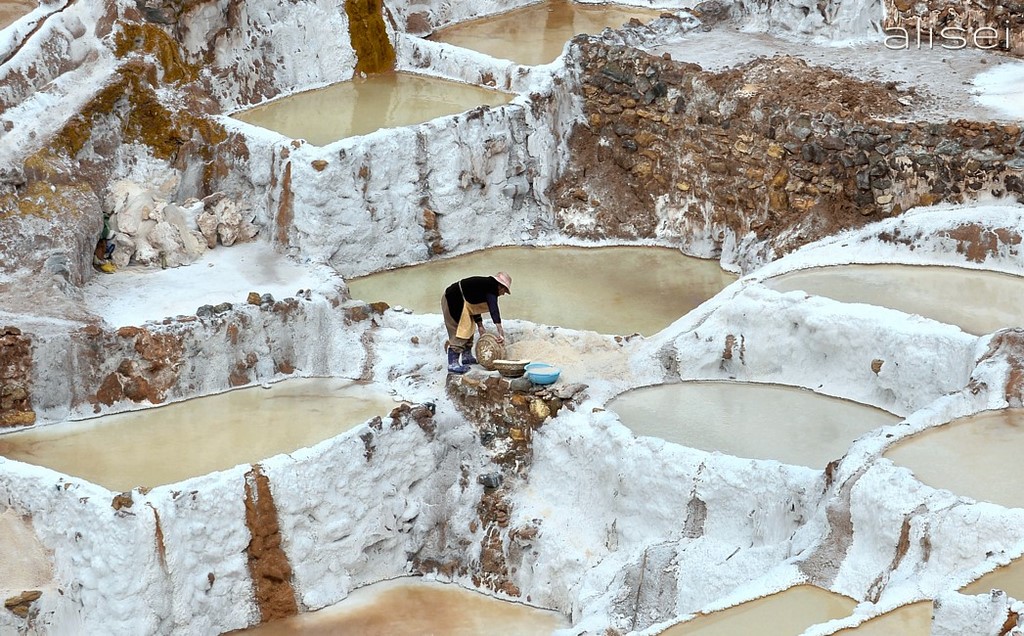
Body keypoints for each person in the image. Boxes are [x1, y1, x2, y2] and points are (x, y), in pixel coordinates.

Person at [441, 272, 512, 374]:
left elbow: (473, 305)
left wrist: (480, 325)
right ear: (501, 286)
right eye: (505, 290)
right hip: (453, 300)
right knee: (460, 331)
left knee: (469, 328)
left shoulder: (484, 286)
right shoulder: (491, 288)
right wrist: (501, 332)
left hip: (463, 302)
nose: (503, 293)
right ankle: (453, 364)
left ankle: (466, 356)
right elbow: (494, 310)